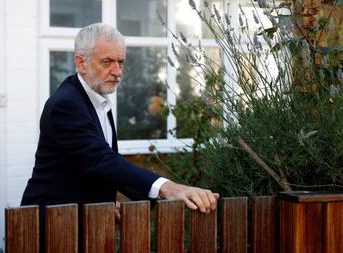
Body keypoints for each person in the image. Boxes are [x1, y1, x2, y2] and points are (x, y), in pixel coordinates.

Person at [21, 22, 219, 251]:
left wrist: (107, 200)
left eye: (120, 62)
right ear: (80, 63)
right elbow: (99, 159)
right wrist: (168, 188)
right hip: (54, 227)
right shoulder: (66, 104)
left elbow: (91, 166)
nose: (117, 72)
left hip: (85, 223)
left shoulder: (97, 98)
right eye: (107, 62)